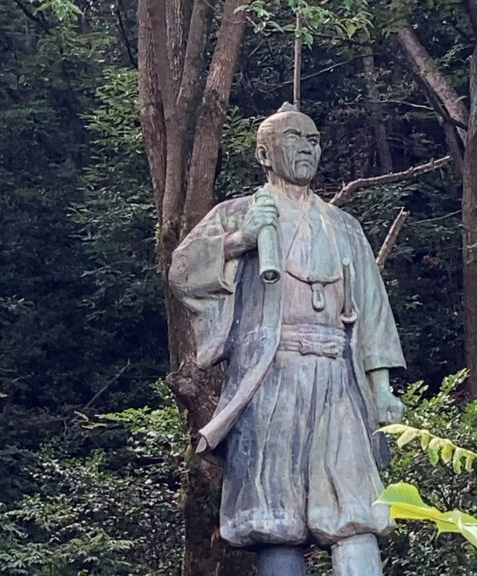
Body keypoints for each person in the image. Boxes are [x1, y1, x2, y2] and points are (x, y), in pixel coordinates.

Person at [169, 103, 406, 576]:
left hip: (339, 377)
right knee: (274, 517)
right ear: (264, 152)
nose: (306, 147)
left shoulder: (344, 227)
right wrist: (240, 240)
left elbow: (374, 312)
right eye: (295, 137)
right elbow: (181, 272)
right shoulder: (238, 213)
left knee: (356, 508)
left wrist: (381, 390)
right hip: (271, 376)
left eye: (314, 139)